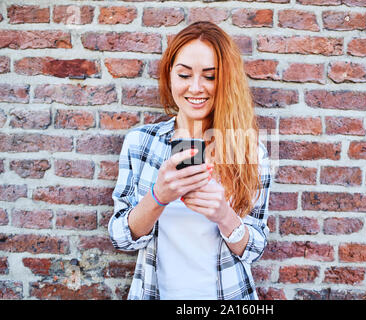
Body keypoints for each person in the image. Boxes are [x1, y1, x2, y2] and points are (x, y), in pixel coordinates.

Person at [108, 21, 271, 300]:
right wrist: (158, 197)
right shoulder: (140, 142)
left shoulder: (250, 152)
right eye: (184, 74)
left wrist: (225, 216)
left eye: (210, 76)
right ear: (170, 75)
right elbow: (120, 238)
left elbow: (254, 249)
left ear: (226, 81)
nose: (196, 88)